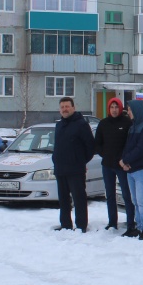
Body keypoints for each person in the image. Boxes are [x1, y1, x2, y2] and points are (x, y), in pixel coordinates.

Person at [51, 96, 95, 232]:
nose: (65, 109)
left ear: (73, 108)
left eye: (67, 106)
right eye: (62, 107)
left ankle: (81, 225)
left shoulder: (81, 124)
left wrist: (80, 160)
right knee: (63, 200)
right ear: (60, 110)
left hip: (76, 169)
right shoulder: (59, 125)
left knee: (79, 198)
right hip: (60, 169)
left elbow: (90, 147)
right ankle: (65, 224)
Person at [95, 97, 134, 233]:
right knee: (110, 195)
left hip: (122, 165)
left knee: (126, 194)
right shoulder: (103, 124)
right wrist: (104, 154)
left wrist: (123, 159)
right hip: (107, 165)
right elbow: (97, 143)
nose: (114, 110)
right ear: (108, 109)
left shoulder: (127, 123)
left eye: (116, 107)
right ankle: (112, 222)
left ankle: (131, 223)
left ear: (120, 108)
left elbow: (130, 144)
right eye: (112, 107)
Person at [120, 99, 143, 240]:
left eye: (130, 110)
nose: (128, 112)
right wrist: (125, 161)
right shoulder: (133, 127)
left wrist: (126, 160)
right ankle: (139, 226)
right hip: (131, 169)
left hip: (141, 169)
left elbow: (141, 149)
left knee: (141, 200)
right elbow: (128, 147)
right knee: (135, 200)